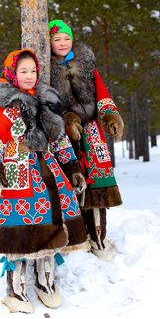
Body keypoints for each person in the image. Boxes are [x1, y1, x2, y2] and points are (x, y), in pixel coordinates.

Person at [0, 48, 89, 314]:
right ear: (12, 73)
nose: (29, 76)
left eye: (33, 71)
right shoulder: (0, 105)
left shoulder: (47, 100)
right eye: (23, 71)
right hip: (17, 171)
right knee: (17, 231)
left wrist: (72, 167)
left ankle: (46, 281)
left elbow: (60, 138)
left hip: (48, 171)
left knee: (52, 224)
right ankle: (15, 288)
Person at [48, 19, 124, 261]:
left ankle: (99, 239)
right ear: (50, 43)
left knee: (98, 183)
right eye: (57, 39)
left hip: (91, 130)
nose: (62, 43)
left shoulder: (87, 63)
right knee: (72, 181)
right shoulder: (46, 69)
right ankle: (76, 238)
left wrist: (110, 114)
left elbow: (101, 92)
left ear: (72, 40)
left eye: (66, 38)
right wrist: (66, 118)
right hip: (66, 133)